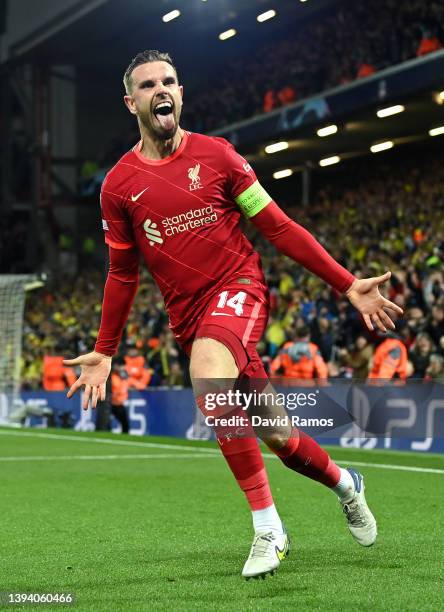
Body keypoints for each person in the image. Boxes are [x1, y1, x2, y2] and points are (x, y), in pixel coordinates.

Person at [63, 50, 403, 579]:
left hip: (239, 289)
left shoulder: (218, 157)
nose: (162, 90)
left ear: (181, 92)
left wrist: (346, 284)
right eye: (149, 85)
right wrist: (104, 350)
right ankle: (346, 484)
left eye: (170, 81)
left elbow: (278, 227)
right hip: (189, 317)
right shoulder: (119, 186)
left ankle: (269, 528)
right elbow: (122, 275)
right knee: (281, 438)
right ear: (132, 102)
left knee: (206, 373)